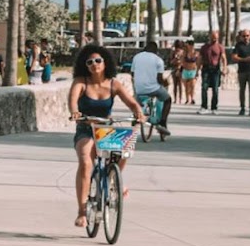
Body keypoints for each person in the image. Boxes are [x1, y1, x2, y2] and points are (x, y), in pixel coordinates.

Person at [69, 43, 146, 228]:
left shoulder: (114, 84)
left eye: (98, 60)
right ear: (85, 65)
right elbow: (72, 101)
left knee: (126, 149)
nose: (94, 64)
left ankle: (114, 181)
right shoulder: (81, 81)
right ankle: (82, 211)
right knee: (86, 162)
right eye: (89, 62)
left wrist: (138, 113)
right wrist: (75, 112)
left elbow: (132, 103)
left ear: (105, 62)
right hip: (86, 129)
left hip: (106, 129)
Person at [130, 40, 173, 139]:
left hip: (139, 88)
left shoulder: (137, 57)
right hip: (154, 89)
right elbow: (159, 79)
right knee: (168, 100)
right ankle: (163, 122)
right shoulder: (158, 60)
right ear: (156, 50)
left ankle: (136, 114)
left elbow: (132, 74)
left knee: (136, 100)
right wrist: (165, 83)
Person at [199, 29, 224, 112]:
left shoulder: (220, 47)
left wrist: (225, 68)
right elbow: (200, 58)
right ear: (210, 37)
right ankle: (204, 106)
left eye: (216, 38)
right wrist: (197, 69)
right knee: (204, 88)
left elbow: (224, 58)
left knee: (215, 89)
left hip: (215, 70)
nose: (214, 39)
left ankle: (214, 107)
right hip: (206, 68)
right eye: (213, 38)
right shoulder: (204, 47)